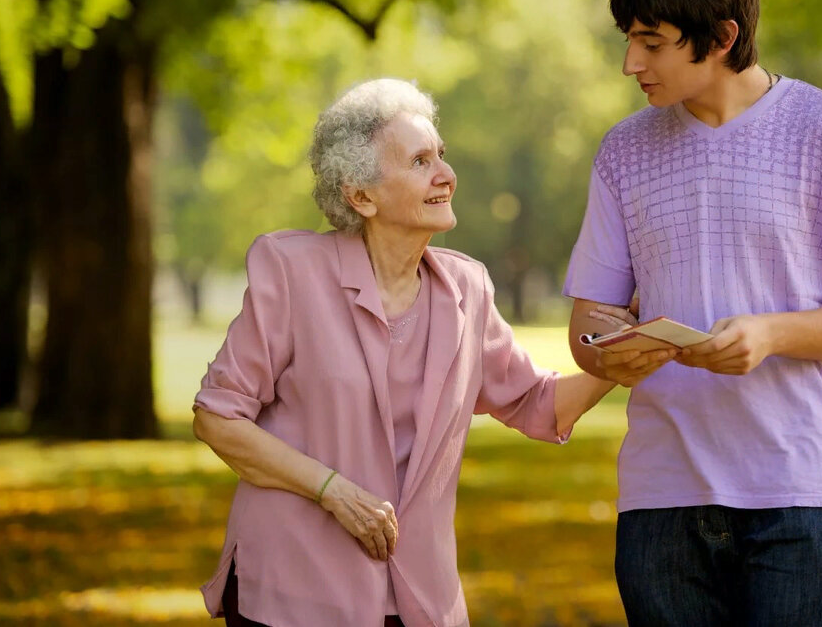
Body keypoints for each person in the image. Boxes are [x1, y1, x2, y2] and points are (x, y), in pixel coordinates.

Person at [193, 78, 651, 627]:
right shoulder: (293, 272)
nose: (446, 175)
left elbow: (540, 403)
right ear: (360, 195)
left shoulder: (467, 288)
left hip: (420, 599)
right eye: (419, 161)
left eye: (442, 156)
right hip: (295, 588)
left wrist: (628, 349)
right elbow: (218, 417)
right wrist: (331, 489)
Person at [565, 0, 822, 626]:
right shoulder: (622, 151)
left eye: (652, 42)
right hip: (661, 502)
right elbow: (588, 327)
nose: (631, 63)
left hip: (802, 492)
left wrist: (771, 333)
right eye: (628, 40)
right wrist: (615, 350)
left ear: (721, 36)